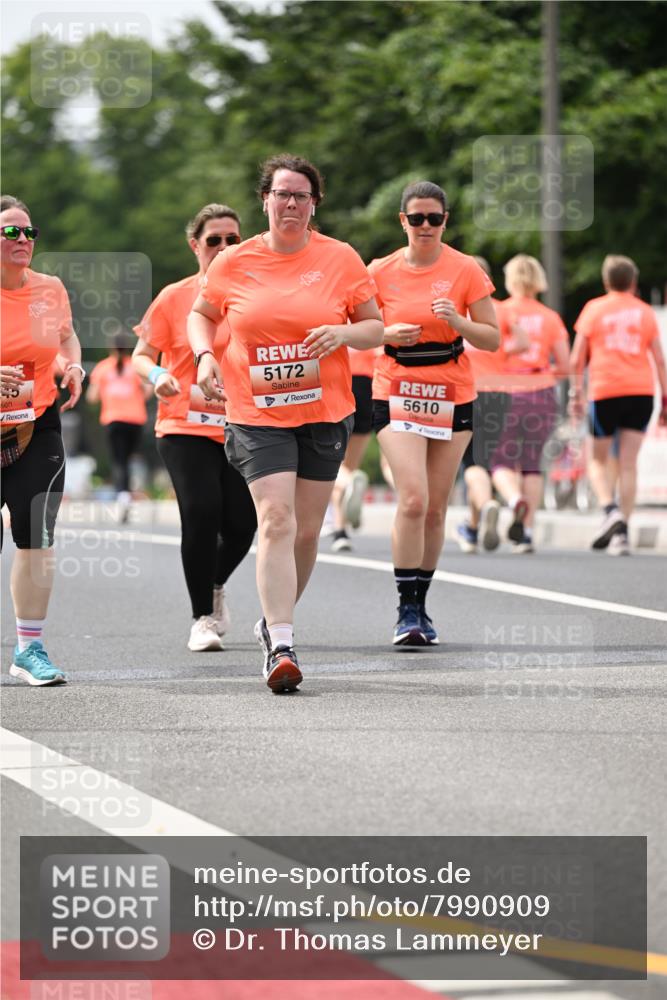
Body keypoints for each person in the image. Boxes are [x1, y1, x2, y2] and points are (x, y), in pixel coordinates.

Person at [188, 154, 383, 692]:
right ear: (265, 201)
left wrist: (342, 335)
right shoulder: (234, 261)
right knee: (276, 518)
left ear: (313, 204)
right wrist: (205, 356)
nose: (291, 203)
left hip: (323, 411)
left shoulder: (340, 258)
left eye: (301, 195)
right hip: (256, 412)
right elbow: (201, 313)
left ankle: (273, 619)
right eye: (282, 194)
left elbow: (375, 328)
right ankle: (282, 644)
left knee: (307, 531)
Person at [370, 181, 499, 646]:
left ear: (446, 221)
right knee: (413, 499)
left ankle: (421, 608)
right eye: (417, 218)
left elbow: (492, 338)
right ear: (403, 221)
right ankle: (405, 608)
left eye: (435, 218)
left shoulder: (464, 269)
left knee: (437, 508)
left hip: (451, 391)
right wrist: (387, 332)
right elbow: (358, 329)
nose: (426, 226)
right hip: (396, 388)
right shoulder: (379, 271)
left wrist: (458, 321)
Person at [133, 203, 257, 652]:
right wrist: (157, 376)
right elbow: (141, 354)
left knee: (244, 525)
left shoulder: (256, 294)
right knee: (202, 511)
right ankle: (201, 617)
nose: (224, 247)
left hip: (244, 425)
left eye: (233, 240)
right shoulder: (174, 296)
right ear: (195, 246)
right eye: (214, 240)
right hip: (183, 424)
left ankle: (216, 583)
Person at [1, 195, 84, 685]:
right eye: (12, 232)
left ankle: (29, 648)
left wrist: (70, 364)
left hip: (36, 424)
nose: (23, 241)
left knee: (37, 535)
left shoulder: (49, 290)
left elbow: (65, 336)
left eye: (29, 232)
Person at [570, 254, 667, 554]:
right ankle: (622, 532)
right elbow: (659, 360)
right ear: (634, 282)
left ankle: (609, 510)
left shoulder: (593, 309)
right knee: (628, 464)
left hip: (605, 390)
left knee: (597, 459)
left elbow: (576, 359)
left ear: (605, 281)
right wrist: (664, 399)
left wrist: (576, 393)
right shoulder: (645, 312)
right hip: (640, 391)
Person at [490, 255, 570, 553]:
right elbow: (564, 364)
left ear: (510, 279)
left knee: (500, 459)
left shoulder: (499, 311)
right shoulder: (550, 317)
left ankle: (513, 500)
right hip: (541, 390)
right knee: (532, 462)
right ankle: (526, 532)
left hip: (504, 390)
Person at [87, 330, 150, 522]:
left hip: (114, 419)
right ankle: (126, 493)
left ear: (111, 347)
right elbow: (148, 392)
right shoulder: (136, 368)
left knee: (118, 460)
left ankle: (122, 495)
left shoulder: (103, 368)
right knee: (128, 459)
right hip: (135, 419)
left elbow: (92, 397)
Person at [329, 345, 378, 552]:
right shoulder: (368, 315)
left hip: (336, 380)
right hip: (366, 385)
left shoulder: (331, 315)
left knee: (332, 464)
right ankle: (341, 529)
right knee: (349, 464)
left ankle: (340, 527)